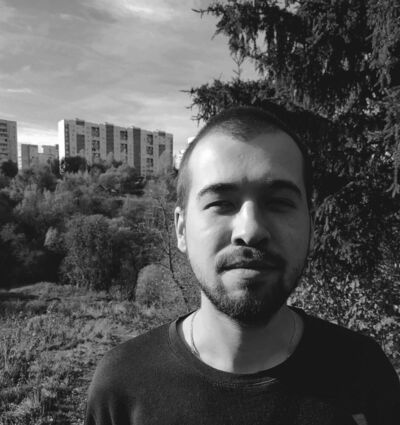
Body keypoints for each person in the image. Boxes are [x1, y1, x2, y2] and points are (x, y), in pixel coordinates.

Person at [85, 106, 400, 425]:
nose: (250, 231)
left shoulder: (364, 374)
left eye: (279, 203)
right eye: (221, 203)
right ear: (181, 229)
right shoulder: (122, 388)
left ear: (311, 225)